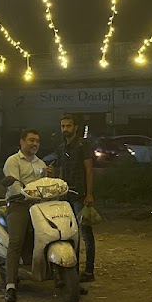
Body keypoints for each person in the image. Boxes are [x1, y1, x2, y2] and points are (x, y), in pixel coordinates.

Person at [1, 129, 46, 302]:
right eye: (31, 140)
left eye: (37, 141)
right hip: (18, 204)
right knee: (16, 241)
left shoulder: (41, 163)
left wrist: (50, 178)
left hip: (39, 205)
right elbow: (14, 186)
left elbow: (45, 185)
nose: (34, 144)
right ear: (22, 142)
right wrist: (26, 193)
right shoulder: (13, 161)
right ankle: (10, 285)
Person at [54, 113, 96, 281]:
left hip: (80, 195)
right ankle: (73, 272)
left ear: (75, 127)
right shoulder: (61, 148)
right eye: (63, 126)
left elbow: (89, 170)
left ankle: (89, 271)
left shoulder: (83, 145)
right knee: (70, 234)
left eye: (68, 126)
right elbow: (61, 170)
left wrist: (89, 194)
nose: (65, 129)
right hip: (66, 196)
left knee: (85, 233)